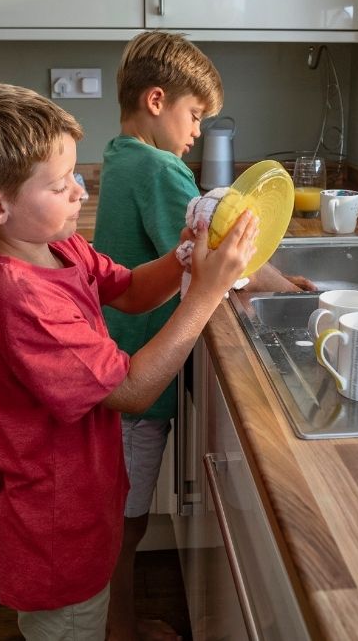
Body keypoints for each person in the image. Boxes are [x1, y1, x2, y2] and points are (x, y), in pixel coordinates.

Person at [0, 80, 258, 641]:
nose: (81, 192)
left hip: (86, 499)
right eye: (60, 184)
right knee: (72, 623)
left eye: (75, 175)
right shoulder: (19, 298)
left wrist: (183, 259)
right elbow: (131, 390)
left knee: (94, 615)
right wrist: (204, 294)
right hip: (56, 526)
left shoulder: (59, 244)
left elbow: (128, 289)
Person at [94, 31, 312, 641]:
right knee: (125, 524)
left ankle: (118, 625)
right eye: (195, 116)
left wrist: (272, 278)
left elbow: (207, 245)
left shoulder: (121, 155)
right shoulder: (159, 169)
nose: (196, 133)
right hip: (141, 368)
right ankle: (120, 633)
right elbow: (220, 253)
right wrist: (278, 287)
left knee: (119, 519)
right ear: (158, 100)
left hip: (124, 355)